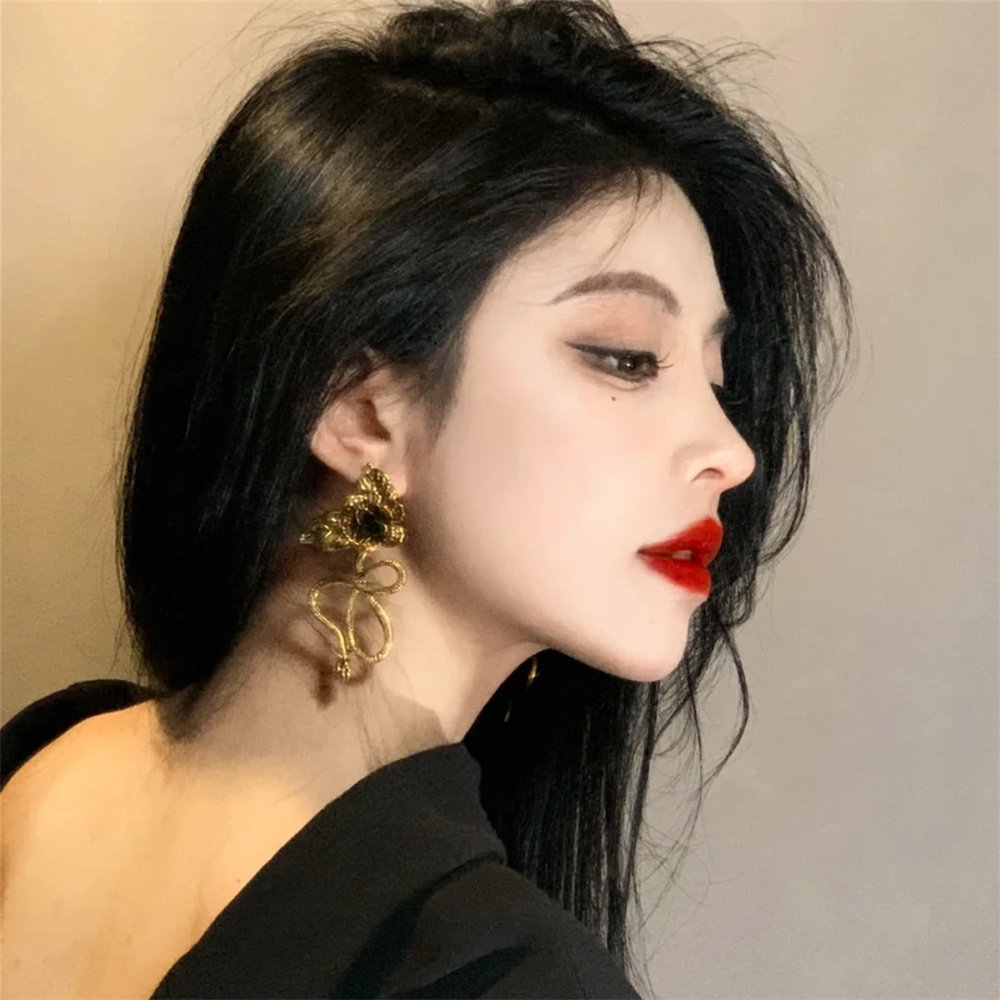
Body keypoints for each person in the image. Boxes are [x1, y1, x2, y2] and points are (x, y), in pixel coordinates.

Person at [0, 1, 855, 997]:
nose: (731, 453)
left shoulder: (45, 764)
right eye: (626, 357)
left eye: (715, 379)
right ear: (360, 411)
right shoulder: (491, 968)